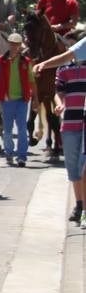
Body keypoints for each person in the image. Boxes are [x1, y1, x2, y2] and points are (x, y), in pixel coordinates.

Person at [43, 36, 86, 224]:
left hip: (84, 121)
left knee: (83, 166)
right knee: (73, 165)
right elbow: (58, 93)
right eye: (69, 46)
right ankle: (79, 204)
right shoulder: (64, 69)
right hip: (69, 122)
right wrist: (60, 104)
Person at [0, 33, 35, 167]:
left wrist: (36, 99)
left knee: (22, 128)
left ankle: (22, 156)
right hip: (6, 100)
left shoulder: (26, 61)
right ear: (8, 44)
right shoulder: (0, 60)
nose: (14, 46)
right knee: (8, 129)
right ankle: (9, 152)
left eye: (17, 44)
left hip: (22, 100)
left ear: (20, 46)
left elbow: (31, 81)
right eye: (12, 43)